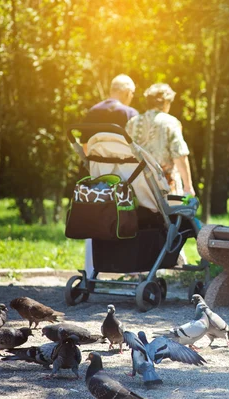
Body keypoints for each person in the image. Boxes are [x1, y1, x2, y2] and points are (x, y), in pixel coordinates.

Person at [82, 74, 138, 279]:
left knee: (93, 214)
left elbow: (85, 147)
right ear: (126, 93)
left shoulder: (92, 112)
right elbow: (137, 147)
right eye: (132, 94)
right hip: (126, 177)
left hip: (98, 176)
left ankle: (90, 271)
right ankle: (133, 267)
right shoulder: (130, 113)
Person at [125, 83, 195, 196]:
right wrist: (188, 187)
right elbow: (179, 155)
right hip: (165, 188)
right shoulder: (170, 122)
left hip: (137, 188)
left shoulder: (133, 122)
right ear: (166, 102)